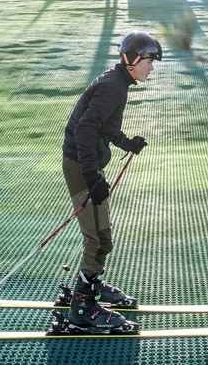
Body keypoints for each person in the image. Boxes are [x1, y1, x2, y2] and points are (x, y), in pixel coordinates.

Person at [61, 31, 162, 332]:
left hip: (86, 164)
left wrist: (127, 143)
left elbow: (102, 126)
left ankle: (91, 286)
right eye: (148, 61)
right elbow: (84, 131)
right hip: (81, 167)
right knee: (97, 238)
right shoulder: (112, 87)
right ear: (131, 60)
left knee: (103, 237)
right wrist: (92, 177)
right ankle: (82, 309)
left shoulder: (117, 82)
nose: (151, 68)